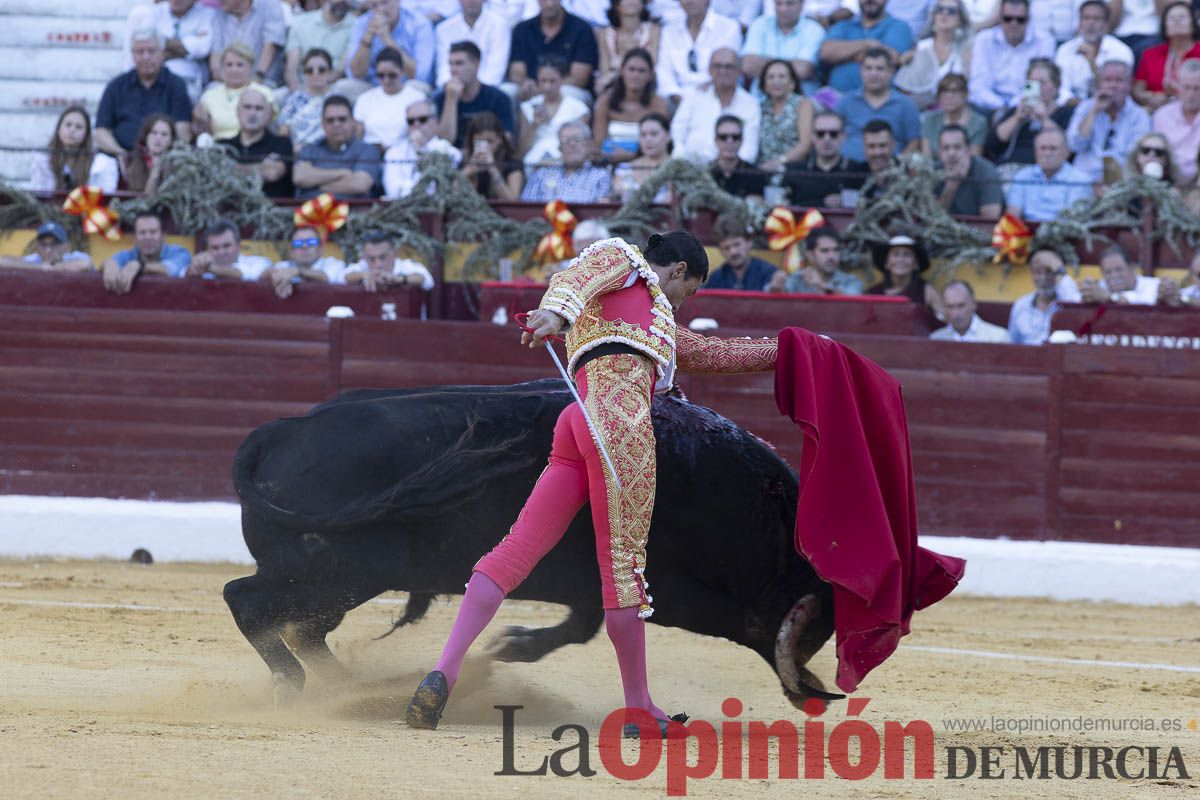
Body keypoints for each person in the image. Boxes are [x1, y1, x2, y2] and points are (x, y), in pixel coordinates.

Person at [403, 230, 782, 737]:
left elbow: (718, 355)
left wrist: (791, 351)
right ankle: (638, 709)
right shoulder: (622, 259)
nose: (682, 302)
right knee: (623, 567)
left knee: (516, 550)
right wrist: (552, 317)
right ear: (677, 271)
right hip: (619, 425)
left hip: (578, 420)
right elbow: (573, 281)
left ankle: (442, 671)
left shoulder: (660, 325)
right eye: (688, 291)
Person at [95, 30, 192, 158]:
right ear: (132, 55)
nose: (146, 57)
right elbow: (100, 131)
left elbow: (183, 131)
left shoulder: (176, 86)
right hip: (121, 157)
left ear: (163, 54)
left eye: (151, 51)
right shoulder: (116, 86)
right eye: (140, 52)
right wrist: (119, 152)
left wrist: (161, 157)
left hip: (164, 157)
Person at [1066, 60, 1151, 181]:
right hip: (1084, 179)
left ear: (1129, 85)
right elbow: (1075, 144)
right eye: (1108, 80)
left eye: (1119, 80)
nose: (1113, 85)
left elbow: (1136, 156)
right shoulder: (1086, 108)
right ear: (1099, 84)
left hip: (1122, 181)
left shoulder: (1140, 116)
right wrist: (1094, 111)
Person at [671, 48, 761, 164]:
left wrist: (732, 167)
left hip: (734, 172)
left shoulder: (750, 104)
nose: (722, 71)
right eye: (717, 66)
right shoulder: (693, 96)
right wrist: (681, 160)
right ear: (709, 70)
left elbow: (749, 149)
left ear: (739, 71)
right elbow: (678, 132)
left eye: (728, 67)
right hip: (692, 168)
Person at [985, 59, 1076, 171]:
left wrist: (1043, 118)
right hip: (1009, 167)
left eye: (1042, 82)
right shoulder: (1016, 111)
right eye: (1032, 83)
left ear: (1056, 86)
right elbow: (992, 144)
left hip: (1044, 171)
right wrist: (1017, 118)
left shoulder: (1066, 113)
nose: (1036, 88)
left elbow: (1066, 147)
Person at [967, 0, 1054, 114]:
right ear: (1000, 19)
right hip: (988, 106)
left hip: (1029, 103)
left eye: (1020, 20)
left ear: (1029, 19)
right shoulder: (983, 39)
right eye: (1008, 19)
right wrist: (1001, 106)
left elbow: (1038, 82)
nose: (1014, 24)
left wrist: (1016, 106)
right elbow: (978, 85)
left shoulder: (1044, 40)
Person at [836, 47, 922, 161]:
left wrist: (898, 168)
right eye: (868, 68)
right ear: (861, 71)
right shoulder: (845, 102)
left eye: (879, 69)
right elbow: (834, 135)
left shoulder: (905, 105)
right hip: (849, 171)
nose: (873, 74)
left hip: (890, 171)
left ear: (891, 72)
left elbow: (914, 141)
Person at [508, 0, 600, 102]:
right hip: (532, 88)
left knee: (569, 92)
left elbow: (579, 78)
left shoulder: (581, 29)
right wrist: (525, 82)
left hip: (565, 89)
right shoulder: (522, 29)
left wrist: (546, 87)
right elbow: (516, 71)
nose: (549, 4)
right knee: (509, 91)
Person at [294, 95, 383, 199]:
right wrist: (343, 173)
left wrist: (315, 185)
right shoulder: (309, 150)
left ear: (353, 122)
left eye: (342, 119)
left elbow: (360, 184)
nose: (336, 124)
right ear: (323, 124)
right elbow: (300, 177)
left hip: (353, 213)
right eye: (330, 120)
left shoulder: (367, 151)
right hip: (310, 212)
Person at [819, 0, 916, 95]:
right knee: (808, 104)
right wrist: (869, 44)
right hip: (836, 98)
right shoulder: (843, 25)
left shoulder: (898, 27)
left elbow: (891, 58)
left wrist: (844, 54)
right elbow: (826, 53)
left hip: (879, 103)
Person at [656, 0, 743, 104]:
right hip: (675, 100)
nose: (690, 1)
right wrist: (679, 98)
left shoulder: (729, 28)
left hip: (716, 98)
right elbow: (664, 72)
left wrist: (699, 102)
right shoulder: (669, 31)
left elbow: (726, 70)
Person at [592, 49, 671, 163]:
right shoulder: (605, 102)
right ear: (622, 71)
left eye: (641, 71)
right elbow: (598, 143)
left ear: (650, 75)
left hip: (647, 164)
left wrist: (631, 156)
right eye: (631, 69)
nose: (635, 75)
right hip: (609, 163)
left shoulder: (660, 105)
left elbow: (662, 144)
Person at [436, 41, 516, 149]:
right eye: (451, 64)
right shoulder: (441, 99)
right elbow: (444, 144)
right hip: (453, 162)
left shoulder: (498, 99)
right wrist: (451, 99)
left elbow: (507, 141)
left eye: (459, 63)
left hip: (488, 159)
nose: (453, 70)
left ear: (476, 64)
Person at [894, 0, 972, 109]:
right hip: (921, 108)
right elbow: (905, 88)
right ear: (933, 15)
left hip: (953, 110)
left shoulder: (966, 50)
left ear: (960, 20)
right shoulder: (920, 47)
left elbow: (965, 87)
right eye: (939, 9)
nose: (944, 14)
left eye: (951, 11)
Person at [781, 111, 869, 207]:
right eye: (820, 133)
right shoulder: (794, 171)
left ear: (842, 136)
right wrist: (821, 203)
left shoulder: (859, 171)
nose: (827, 139)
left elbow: (868, 205)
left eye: (833, 134)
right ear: (813, 137)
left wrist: (846, 202)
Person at [218, 89, 295, 197]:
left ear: (269, 115)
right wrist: (261, 167)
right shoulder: (221, 145)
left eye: (259, 108)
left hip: (271, 210)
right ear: (237, 112)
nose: (252, 113)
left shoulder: (282, 143)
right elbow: (214, 174)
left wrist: (230, 166)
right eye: (247, 107)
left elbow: (272, 173)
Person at [517, 56, 591, 167]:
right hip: (533, 161)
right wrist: (534, 125)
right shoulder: (527, 107)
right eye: (543, 81)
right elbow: (521, 150)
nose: (547, 86)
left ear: (563, 80)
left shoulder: (579, 109)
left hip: (567, 161)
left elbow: (582, 146)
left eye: (552, 81)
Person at [1005, 127, 1092, 221]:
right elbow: (1013, 215)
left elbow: (1074, 219)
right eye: (1043, 148)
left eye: (1053, 148)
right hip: (1025, 232)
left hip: (1063, 232)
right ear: (1035, 152)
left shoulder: (1080, 179)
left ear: (1066, 152)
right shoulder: (1022, 176)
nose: (1047, 153)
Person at [1055, 0, 1134, 104]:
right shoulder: (1065, 50)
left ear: (1106, 24)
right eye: (1086, 18)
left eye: (1096, 19)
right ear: (1079, 22)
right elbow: (1062, 88)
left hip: (1110, 106)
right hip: (1071, 107)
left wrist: (1092, 63)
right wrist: (1080, 107)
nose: (1090, 24)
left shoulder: (1121, 51)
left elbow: (1119, 91)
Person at [383, 98, 463, 198]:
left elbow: (441, 190)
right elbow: (393, 191)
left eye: (422, 119)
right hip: (401, 210)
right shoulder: (393, 152)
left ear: (435, 121)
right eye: (411, 121)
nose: (416, 125)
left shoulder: (451, 152)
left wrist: (421, 152)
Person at [29, 106, 119, 194]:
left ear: (86, 134)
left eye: (79, 127)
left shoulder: (103, 164)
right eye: (68, 125)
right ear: (58, 129)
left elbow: (105, 198)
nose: (72, 130)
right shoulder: (42, 160)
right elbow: (39, 195)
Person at [346, 0, 436, 88]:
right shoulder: (361, 23)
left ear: (397, 1)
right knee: (345, 86)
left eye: (384, 3)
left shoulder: (420, 24)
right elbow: (354, 74)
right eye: (374, 5)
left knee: (416, 86)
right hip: (372, 86)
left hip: (405, 86)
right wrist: (367, 38)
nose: (381, 9)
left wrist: (388, 40)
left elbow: (419, 76)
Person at [196, 42, 276, 140]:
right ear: (222, 68)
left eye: (240, 65)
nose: (234, 70)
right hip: (219, 149)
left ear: (250, 67)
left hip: (254, 148)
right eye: (229, 65)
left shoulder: (264, 93)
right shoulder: (209, 95)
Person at [741, 0, 824, 93]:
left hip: (799, 97)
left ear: (802, 4)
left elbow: (803, 70)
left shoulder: (814, 29)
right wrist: (791, 65)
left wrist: (765, 62)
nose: (783, 9)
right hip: (761, 96)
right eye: (779, 3)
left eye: (790, 3)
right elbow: (748, 66)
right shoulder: (760, 23)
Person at [101, 211, 193, 294]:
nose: (147, 237)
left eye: (153, 232)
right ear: (134, 238)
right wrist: (109, 264)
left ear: (163, 236)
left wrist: (140, 266)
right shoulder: (128, 255)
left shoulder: (180, 253)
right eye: (142, 233)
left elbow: (171, 269)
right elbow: (111, 262)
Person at [1006, 245, 1083, 345]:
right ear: (1032, 274)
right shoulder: (1021, 305)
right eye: (1038, 272)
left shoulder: (1067, 302)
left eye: (1049, 272)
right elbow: (1012, 345)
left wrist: (1057, 266)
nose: (1043, 278)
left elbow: (1077, 303)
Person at [1132, 2, 1200, 112]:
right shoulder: (1150, 54)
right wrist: (1150, 97)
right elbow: (1137, 90)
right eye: (1172, 18)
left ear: (1193, 24)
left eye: (1182, 17)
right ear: (1164, 26)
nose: (1177, 21)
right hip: (1157, 111)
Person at [145, 0, 219, 103]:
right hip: (157, 77)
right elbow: (148, 43)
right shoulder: (154, 12)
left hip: (190, 81)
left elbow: (202, 48)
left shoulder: (208, 14)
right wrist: (190, 45)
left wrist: (163, 43)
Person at [521, 122, 613, 202]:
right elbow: (526, 206)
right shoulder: (541, 174)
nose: (572, 144)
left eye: (577, 139)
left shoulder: (600, 176)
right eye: (566, 140)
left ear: (587, 145)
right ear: (560, 147)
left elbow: (602, 212)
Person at [354, 48, 428, 148]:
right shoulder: (364, 99)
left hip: (404, 155)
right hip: (370, 156)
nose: (386, 80)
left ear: (402, 72)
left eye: (392, 75)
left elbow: (422, 133)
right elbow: (358, 138)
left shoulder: (417, 98)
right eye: (381, 75)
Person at [209, 0, 288, 86]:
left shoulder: (270, 6)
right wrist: (219, 75)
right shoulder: (219, 15)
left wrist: (258, 76)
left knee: (252, 97)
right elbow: (215, 53)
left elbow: (271, 45)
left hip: (264, 81)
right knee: (209, 94)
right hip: (227, 83)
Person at [757, 60, 816, 173]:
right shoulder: (760, 107)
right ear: (764, 85)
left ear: (792, 83)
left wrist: (780, 161)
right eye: (771, 77)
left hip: (793, 169)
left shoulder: (803, 104)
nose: (776, 81)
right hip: (762, 170)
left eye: (782, 76)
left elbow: (805, 144)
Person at [435, 0, 510, 88]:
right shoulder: (443, 29)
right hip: (453, 88)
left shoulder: (499, 25)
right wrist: (451, 85)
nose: (472, 1)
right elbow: (443, 69)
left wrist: (475, 91)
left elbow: (496, 69)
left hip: (489, 90)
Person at [770, 226, 865, 294]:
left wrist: (822, 285)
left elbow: (852, 302)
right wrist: (776, 289)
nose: (831, 256)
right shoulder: (797, 279)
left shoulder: (851, 281)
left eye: (836, 250)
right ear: (810, 255)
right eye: (824, 251)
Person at [285, 0, 355, 92]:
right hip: (302, 86)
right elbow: (291, 67)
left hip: (334, 87)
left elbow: (340, 70)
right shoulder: (300, 22)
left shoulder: (356, 25)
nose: (343, 1)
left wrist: (318, 86)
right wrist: (297, 92)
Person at [935, 124, 1002, 218]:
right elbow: (930, 218)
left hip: (978, 230)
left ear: (968, 149)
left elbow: (990, 218)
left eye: (957, 147)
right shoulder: (933, 172)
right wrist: (951, 187)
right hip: (942, 229)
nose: (951, 153)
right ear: (940, 152)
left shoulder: (986, 171)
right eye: (946, 148)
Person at [596, 0, 661, 93]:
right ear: (616, 5)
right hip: (613, 88)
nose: (631, 1)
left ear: (643, 4)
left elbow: (651, 62)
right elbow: (604, 71)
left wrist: (614, 73)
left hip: (646, 88)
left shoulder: (654, 30)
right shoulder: (604, 34)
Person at [277, 48, 338, 148]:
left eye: (321, 70)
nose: (315, 74)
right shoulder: (294, 99)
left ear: (330, 72)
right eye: (309, 70)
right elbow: (283, 130)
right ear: (304, 73)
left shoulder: (338, 100)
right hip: (296, 152)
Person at [267, 224, 348, 298]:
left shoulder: (334, 264)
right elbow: (261, 273)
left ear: (321, 249)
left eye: (311, 242)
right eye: (298, 243)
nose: (304, 247)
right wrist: (281, 276)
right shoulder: (284, 266)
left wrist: (298, 272)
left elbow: (327, 277)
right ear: (291, 251)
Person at [1152, 58, 1200, 182]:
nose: (1191, 94)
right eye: (1187, 87)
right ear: (1178, 87)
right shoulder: (1162, 116)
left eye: (1197, 88)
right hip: (1167, 181)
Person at [1078, 245, 1176, 305]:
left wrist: (1107, 297)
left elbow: (1141, 303)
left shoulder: (1154, 286)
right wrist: (1086, 291)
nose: (1114, 276)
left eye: (1119, 269)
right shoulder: (1099, 287)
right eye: (1108, 272)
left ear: (1132, 268)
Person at [459, 112, 525, 200]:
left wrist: (492, 169)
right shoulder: (463, 160)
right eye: (479, 141)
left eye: (489, 141)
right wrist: (468, 170)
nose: (485, 147)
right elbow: (448, 195)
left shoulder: (512, 163)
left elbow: (512, 201)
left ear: (499, 140)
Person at [920, 73, 987, 159]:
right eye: (944, 91)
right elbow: (927, 159)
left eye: (954, 91)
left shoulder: (978, 123)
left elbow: (974, 160)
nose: (949, 96)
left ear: (965, 94)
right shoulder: (929, 120)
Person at [343, 230, 436, 291]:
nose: (378, 264)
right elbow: (343, 276)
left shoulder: (406, 266)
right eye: (371, 259)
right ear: (364, 256)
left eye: (382, 257)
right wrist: (364, 275)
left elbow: (427, 279)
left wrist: (398, 279)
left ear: (394, 252)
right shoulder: (362, 266)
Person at [704, 216, 778, 291]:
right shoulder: (716, 278)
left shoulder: (769, 273)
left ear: (749, 243)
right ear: (720, 251)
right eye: (726, 248)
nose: (733, 252)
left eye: (737, 244)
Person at [867, 233, 939, 309]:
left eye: (907, 255)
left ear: (916, 264)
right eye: (895, 254)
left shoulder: (927, 292)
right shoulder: (873, 294)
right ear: (886, 262)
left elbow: (943, 319)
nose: (901, 259)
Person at [186, 219, 274, 281]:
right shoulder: (203, 265)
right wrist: (194, 268)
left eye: (226, 246)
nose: (221, 252)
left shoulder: (260, 263)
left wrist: (210, 268)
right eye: (215, 247)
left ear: (238, 245)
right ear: (207, 249)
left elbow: (242, 275)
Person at [616, 112, 674, 202]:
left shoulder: (678, 169)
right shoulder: (625, 169)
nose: (648, 139)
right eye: (643, 135)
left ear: (668, 136)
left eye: (654, 134)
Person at [930, 280, 1011, 342]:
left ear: (973, 304)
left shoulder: (998, 338)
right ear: (944, 308)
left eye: (961, 306)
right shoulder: (936, 338)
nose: (956, 313)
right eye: (950, 307)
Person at [710, 116, 768, 200]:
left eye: (735, 137)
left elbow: (754, 209)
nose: (729, 142)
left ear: (741, 140)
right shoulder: (704, 173)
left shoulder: (755, 174)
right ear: (716, 140)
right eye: (723, 137)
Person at [0, 222, 92, 273]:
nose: (48, 250)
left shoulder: (73, 257)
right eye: (43, 244)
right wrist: (40, 267)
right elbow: (2, 261)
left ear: (67, 247)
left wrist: (52, 267)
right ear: (37, 247)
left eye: (54, 244)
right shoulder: (34, 260)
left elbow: (85, 264)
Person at [121, 114, 177, 195]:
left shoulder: (179, 163)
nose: (158, 138)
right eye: (154, 133)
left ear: (172, 140)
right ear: (146, 136)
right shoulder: (133, 160)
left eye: (164, 134)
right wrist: (155, 171)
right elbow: (142, 201)